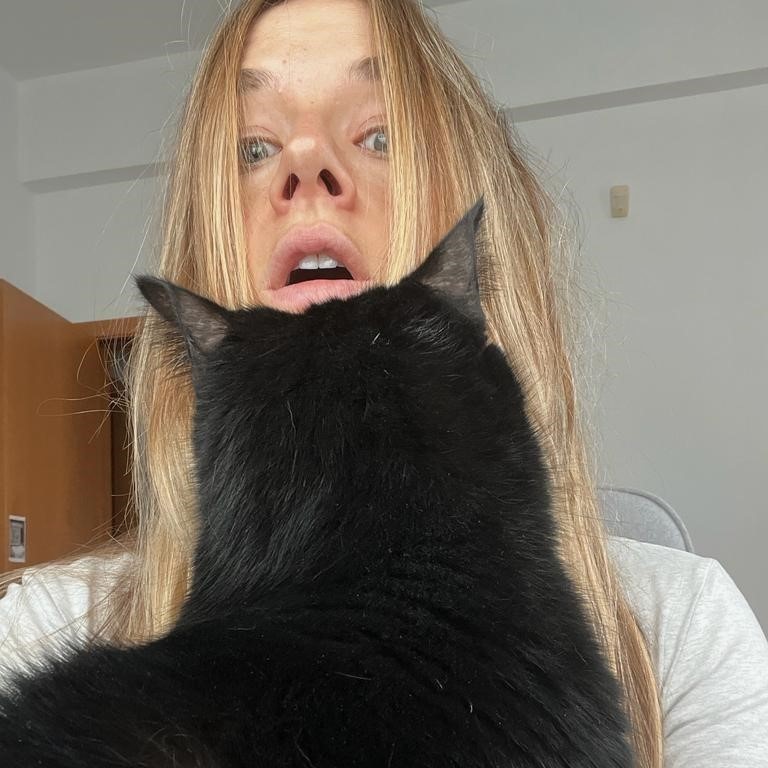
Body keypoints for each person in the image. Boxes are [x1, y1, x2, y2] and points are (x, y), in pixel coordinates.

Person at [1, 0, 767, 766]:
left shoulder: (681, 632)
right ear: (204, 256)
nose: (306, 163)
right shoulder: (42, 630)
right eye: (253, 148)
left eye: (379, 136)